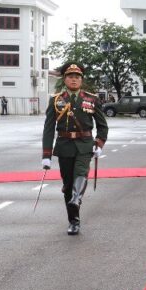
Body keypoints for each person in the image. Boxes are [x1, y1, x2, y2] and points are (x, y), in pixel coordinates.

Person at [41, 63, 109, 236]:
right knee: (68, 185)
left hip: (84, 145)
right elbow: (49, 128)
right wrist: (46, 154)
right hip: (64, 146)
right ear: (65, 79)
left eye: (77, 77)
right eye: (70, 77)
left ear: (81, 80)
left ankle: (76, 199)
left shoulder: (91, 99)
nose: (74, 79)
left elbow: (102, 125)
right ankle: (73, 221)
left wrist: (99, 143)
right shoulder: (56, 100)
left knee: (80, 172)